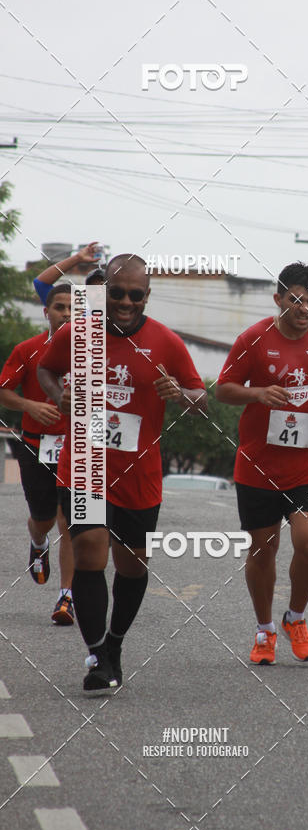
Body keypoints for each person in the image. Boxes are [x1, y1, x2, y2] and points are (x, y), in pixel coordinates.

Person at [38, 254, 207, 695]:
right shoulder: (79, 333)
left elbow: (200, 398)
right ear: (103, 293)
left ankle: (114, 644)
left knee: (132, 568)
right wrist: (61, 397)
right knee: (90, 551)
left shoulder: (166, 342)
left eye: (135, 295)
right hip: (85, 464)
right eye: (117, 293)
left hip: (139, 474)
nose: (126, 301)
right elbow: (45, 368)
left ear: (147, 296)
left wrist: (182, 393)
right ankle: (95, 655)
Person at [216, 262, 308, 665]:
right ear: (278, 299)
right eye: (295, 299)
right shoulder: (254, 338)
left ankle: (296, 617)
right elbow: (222, 390)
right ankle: (265, 629)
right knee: (263, 548)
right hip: (259, 465)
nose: (303, 307)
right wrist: (257, 394)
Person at [0, 284, 75, 624]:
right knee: (45, 518)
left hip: (81, 447)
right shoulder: (28, 349)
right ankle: (38, 540)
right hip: (36, 444)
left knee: (73, 521)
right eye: (60, 307)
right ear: (47, 312)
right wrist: (30, 404)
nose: (67, 314)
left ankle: (67, 598)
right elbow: (3, 392)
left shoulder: (97, 352)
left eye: (74, 308)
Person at [34, 242, 102, 305]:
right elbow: (41, 283)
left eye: (103, 287)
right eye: (93, 288)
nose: (99, 292)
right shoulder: (76, 311)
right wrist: (78, 258)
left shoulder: (111, 313)